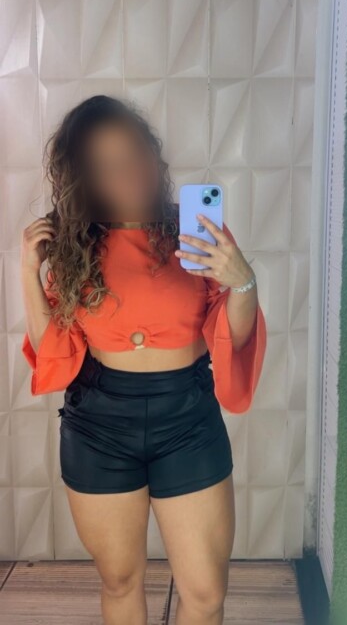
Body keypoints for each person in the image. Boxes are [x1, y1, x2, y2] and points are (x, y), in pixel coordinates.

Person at [20, 95, 267, 625]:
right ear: (86, 179)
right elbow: (54, 354)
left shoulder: (197, 231)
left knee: (205, 593)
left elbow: (234, 335)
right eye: (108, 165)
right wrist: (26, 271)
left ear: (153, 154)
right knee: (120, 581)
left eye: (135, 153)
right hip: (99, 424)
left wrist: (242, 282)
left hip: (188, 419)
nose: (129, 171)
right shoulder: (74, 247)